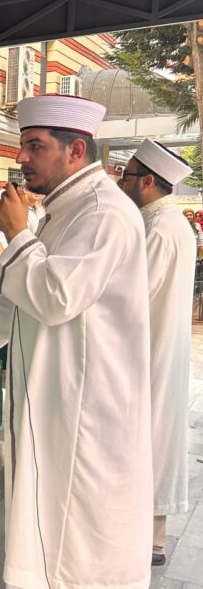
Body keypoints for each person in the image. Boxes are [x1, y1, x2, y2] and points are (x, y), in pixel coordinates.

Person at [0, 95, 153, 589]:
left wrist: (17, 234)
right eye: (23, 145)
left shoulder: (102, 211)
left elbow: (56, 297)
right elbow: (30, 296)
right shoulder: (68, 208)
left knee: (79, 535)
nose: (21, 158)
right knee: (53, 521)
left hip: (85, 402)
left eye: (35, 146)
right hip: (57, 391)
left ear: (76, 150)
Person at [118, 139, 195, 567]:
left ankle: (149, 539)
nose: (120, 181)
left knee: (149, 440)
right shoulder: (165, 221)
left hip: (150, 351)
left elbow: (131, 296)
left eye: (126, 175)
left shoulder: (161, 228)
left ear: (147, 181)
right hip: (156, 347)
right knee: (153, 438)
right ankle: (150, 537)